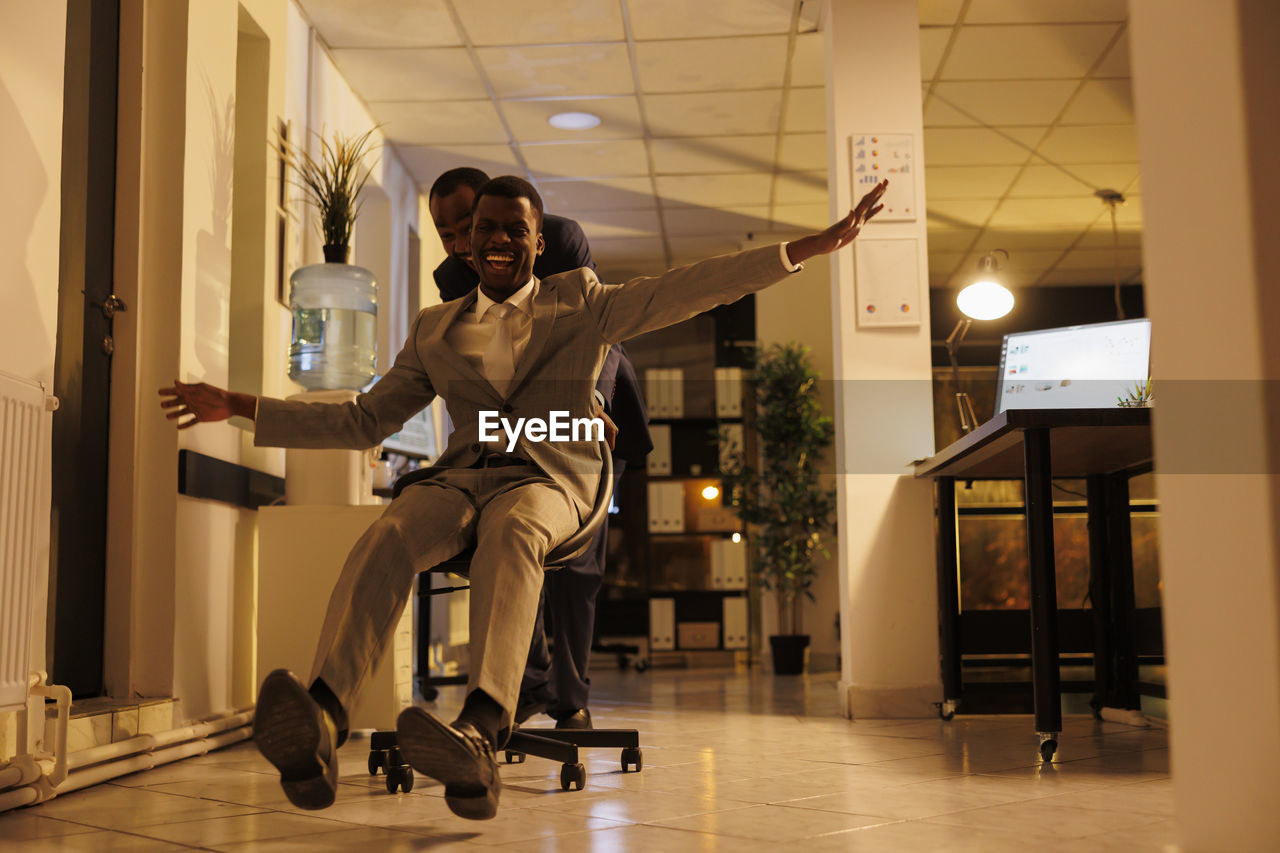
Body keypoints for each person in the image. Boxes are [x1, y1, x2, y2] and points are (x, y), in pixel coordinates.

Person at [159, 176, 888, 821]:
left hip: (553, 481)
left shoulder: (585, 304)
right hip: (460, 479)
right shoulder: (435, 328)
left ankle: (480, 729)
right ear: (468, 246)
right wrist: (241, 405)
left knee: (513, 532)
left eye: (517, 228)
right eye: (486, 229)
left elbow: (690, 287)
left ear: (541, 243)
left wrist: (807, 248)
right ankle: (322, 714)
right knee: (389, 533)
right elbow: (364, 420)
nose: (500, 239)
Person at [428, 167, 652, 731]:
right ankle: (522, 686)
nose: (460, 245)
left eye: (465, 226)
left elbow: (599, 330)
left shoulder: (560, 238)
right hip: (517, 430)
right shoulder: (453, 275)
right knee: (505, 549)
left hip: (590, 422)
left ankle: (570, 699)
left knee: (577, 568)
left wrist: (593, 407)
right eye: (446, 234)